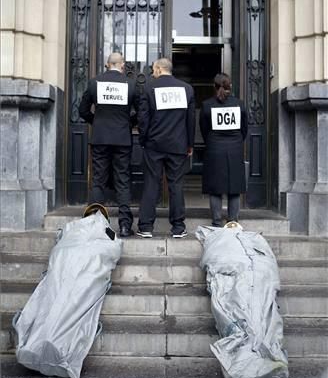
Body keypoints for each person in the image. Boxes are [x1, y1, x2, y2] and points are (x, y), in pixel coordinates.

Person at [79, 52, 136, 237]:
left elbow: (82, 110)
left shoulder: (94, 83)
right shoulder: (130, 84)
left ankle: (94, 222)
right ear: (122, 65)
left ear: (107, 64)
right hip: (122, 138)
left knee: (98, 180)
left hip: (100, 138)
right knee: (123, 181)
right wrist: (128, 123)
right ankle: (125, 225)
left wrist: (96, 121)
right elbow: (140, 113)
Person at [137, 57, 195, 238]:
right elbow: (190, 120)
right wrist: (190, 144)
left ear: (160, 69)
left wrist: (143, 139)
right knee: (176, 185)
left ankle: (146, 227)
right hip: (178, 145)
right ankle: (178, 227)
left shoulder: (149, 88)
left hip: (154, 144)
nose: (152, 72)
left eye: (154, 69)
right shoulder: (187, 89)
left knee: (151, 184)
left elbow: (143, 118)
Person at [199, 73, 248, 226]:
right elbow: (244, 129)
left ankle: (216, 221)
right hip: (235, 148)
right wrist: (237, 141)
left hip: (214, 148)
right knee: (234, 187)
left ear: (214, 87)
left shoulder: (207, 105)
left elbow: (204, 129)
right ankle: (232, 221)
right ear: (230, 86)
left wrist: (212, 141)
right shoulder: (239, 104)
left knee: (215, 187)